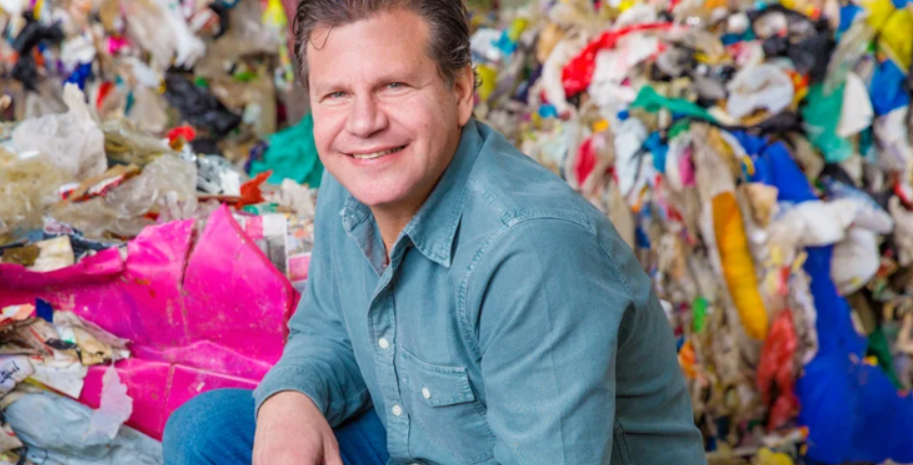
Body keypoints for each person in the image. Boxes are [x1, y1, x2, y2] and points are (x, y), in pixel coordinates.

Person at [163, 1, 706, 464]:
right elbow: (330, 327)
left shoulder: (532, 251)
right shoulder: (353, 180)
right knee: (211, 432)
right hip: (427, 443)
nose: (363, 123)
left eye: (393, 85)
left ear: (462, 89)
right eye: (336, 95)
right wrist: (291, 398)